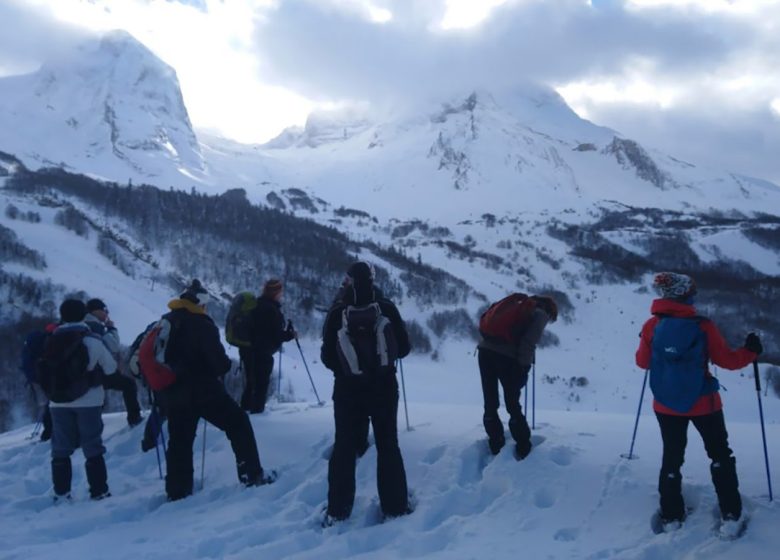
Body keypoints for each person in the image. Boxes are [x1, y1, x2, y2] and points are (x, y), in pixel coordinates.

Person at [635, 272, 761, 533]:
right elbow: (727, 360)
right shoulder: (703, 326)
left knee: (672, 456)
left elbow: (643, 362)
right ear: (685, 295)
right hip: (704, 403)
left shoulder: (652, 326)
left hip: (665, 405)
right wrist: (751, 352)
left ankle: (671, 515)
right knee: (719, 454)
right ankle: (730, 513)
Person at [160, 280, 275, 501]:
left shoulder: (167, 321)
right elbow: (219, 363)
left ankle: (177, 491)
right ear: (201, 304)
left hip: (174, 391)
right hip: (204, 391)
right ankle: (252, 474)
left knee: (179, 441)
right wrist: (224, 366)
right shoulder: (202, 325)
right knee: (238, 424)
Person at [320, 261, 412, 525]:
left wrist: (349, 368)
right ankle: (395, 507)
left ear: (347, 281)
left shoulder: (338, 310)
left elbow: (327, 357)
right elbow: (404, 348)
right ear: (372, 280)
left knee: (345, 446)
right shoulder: (386, 307)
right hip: (383, 387)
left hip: (348, 390)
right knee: (387, 444)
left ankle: (338, 510)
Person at [49, 299, 116, 501]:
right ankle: (99, 490)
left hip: (58, 401)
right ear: (83, 315)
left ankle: (61, 493)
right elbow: (111, 368)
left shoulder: (51, 340)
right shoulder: (92, 340)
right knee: (92, 444)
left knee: (60, 448)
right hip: (89, 400)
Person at [477, 294, 557, 459]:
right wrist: (524, 368)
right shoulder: (540, 314)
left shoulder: (517, 304)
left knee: (490, 401)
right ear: (549, 311)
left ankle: (495, 442)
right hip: (507, 358)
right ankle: (523, 446)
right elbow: (528, 343)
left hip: (484, 352)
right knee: (512, 404)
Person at [239, 279, 295, 414]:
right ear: (276, 292)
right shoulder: (271, 309)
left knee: (251, 384)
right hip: (262, 352)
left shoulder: (257, 304)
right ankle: (256, 415)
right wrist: (290, 335)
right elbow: (275, 335)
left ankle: (244, 412)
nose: (281, 294)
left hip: (247, 350)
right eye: (280, 291)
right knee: (260, 386)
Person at [85, 298, 142, 427]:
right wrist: (112, 329)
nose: (106, 314)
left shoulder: (81, 323)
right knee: (128, 384)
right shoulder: (96, 326)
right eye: (104, 310)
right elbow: (114, 346)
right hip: (98, 371)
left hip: (78, 372)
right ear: (96, 311)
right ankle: (134, 418)